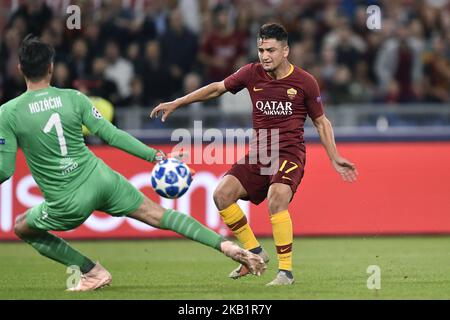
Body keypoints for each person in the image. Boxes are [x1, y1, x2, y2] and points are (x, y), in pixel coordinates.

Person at [0, 35, 266, 292]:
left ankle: (91, 271)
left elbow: (6, 169)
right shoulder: (74, 98)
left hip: (68, 201)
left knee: (24, 226)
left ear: (20, 67)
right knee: (160, 215)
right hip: (102, 179)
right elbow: (111, 135)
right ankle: (227, 246)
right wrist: (157, 157)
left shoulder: (9, 112)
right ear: (51, 67)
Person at [151, 23, 358, 286]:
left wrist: (334, 156)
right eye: (261, 49)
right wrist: (177, 102)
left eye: (271, 50)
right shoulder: (251, 73)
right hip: (260, 153)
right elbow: (216, 88)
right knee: (221, 195)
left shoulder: (305, 82)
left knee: (276, 198)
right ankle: (254, 253)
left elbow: (321, 122)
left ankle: (286, 273)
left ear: (285, 51)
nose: (264, 55)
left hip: (289, 153)